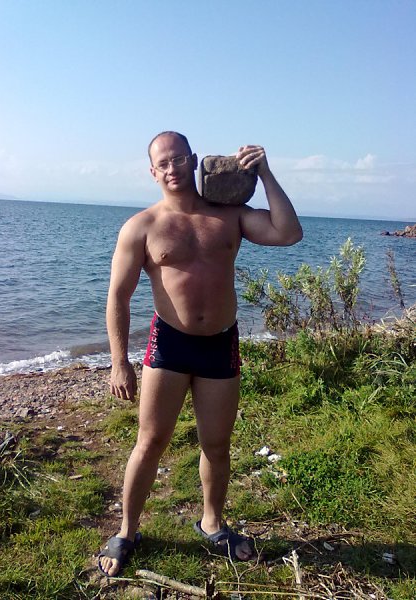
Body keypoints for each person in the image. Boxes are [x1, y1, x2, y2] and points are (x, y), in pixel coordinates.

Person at [98, 131, 303, 577]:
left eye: (178, 159)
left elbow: (289, 233)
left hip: (220, 344)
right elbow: (118, 297)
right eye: (163, 163)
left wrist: (266, 174)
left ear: (193, 160)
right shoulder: (141, 227)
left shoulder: (229, 215)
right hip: (170, 343)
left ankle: (212, 522)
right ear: (152, 172)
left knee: (216, 444)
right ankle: (127, 531)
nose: (172, 169)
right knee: (150, 442)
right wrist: (119, 361)